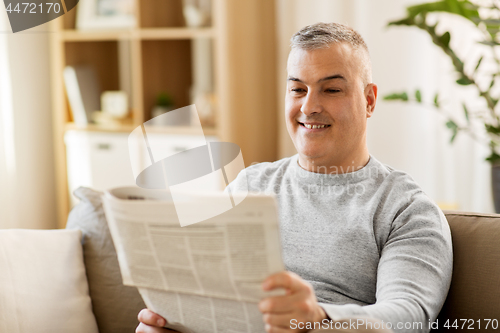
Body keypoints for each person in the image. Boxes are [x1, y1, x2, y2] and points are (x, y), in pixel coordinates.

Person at [136, 22, 453, 333]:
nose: (309, 106)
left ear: (369, 100)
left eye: (331, 89)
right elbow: (205, 292)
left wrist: (319, 316)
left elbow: (408, 315)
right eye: (297, 89)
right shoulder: (250, 185)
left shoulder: (406, 209)